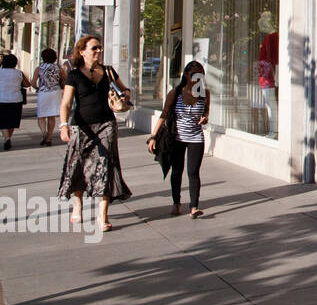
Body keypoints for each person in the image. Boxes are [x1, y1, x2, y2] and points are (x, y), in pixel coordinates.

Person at [56, 34, 132, 231]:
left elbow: (125, 89)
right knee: (80, 165)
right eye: (94, 48)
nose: (99, 51)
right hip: (81, 126)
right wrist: (63, 125)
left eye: (99, 47)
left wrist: (125, 94)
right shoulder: (74, 75)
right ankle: (78, 204)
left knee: (106, 165)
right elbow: (65, 103)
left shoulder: (107, 71)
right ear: (82, 52)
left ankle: (102, 216)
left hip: (106, 123)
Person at [148, 60, 209, 218]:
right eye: (194, 75)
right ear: (187, 76)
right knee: (177, 171)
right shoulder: (176, 93)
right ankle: (176, 203)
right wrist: (153, 136)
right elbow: (164, 115)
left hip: (196, 137)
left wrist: (205, 118)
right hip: (177, 137)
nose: (197, 79)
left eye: (200, 75)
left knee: (193, 172)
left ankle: (194, 207)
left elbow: (205, 113)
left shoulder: (204, 94)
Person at [34, 48, 65, 146]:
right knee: (51, 116)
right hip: (55, 92)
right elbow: (65, 79)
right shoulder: (59, 68)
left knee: (41, 115)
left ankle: (44, 132)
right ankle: (49, 137)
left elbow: (32, 82)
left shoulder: (39, 68)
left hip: (43, 92)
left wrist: (38, 88)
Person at [0, 53, 31, 150]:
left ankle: (7, 138)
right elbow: (27, 84)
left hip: (1, 99)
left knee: (2, 120)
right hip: (16, 100)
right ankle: (8, 138)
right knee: (12, 120)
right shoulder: (19, 73)